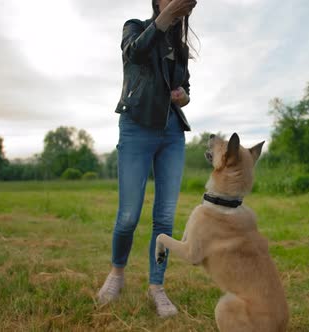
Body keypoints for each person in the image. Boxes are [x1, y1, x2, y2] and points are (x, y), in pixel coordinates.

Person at [97, 0, 198, 318]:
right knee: (128, 216)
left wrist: (184, 95)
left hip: (171, 133)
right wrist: (166, 17)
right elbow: (135, 53)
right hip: (137, 125)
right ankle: (117, 273)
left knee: (165, 219)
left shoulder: (180, 48)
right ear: (157, 2)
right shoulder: (136, 27)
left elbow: (186, 87)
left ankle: (157, 286)